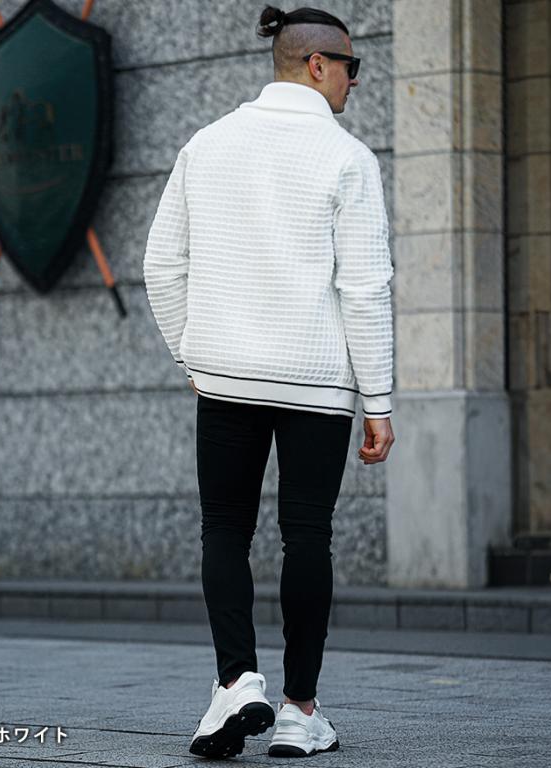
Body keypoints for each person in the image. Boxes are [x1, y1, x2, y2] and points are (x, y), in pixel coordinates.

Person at [143, 3, 395, 760]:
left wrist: (193, 357)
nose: (355, 79)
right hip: (317, 383)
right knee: (306, 535)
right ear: (317, 65)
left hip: (226, 377)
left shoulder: (207, 144)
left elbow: (161, 265)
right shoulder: (348, 158)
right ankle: (297, 711)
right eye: (350, 65)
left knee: (224, 529)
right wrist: (378, 399)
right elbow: (365, 289)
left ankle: (235, 683)